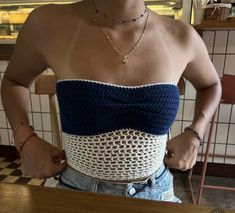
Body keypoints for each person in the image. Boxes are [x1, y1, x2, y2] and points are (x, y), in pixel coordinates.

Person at [1, 0, 221, 203]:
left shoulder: (181, 36)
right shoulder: (47, 23)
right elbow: (14, 81)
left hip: (157, 194)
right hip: (78, 193)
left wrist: (195, 133)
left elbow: (211, 85)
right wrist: (25, 138)